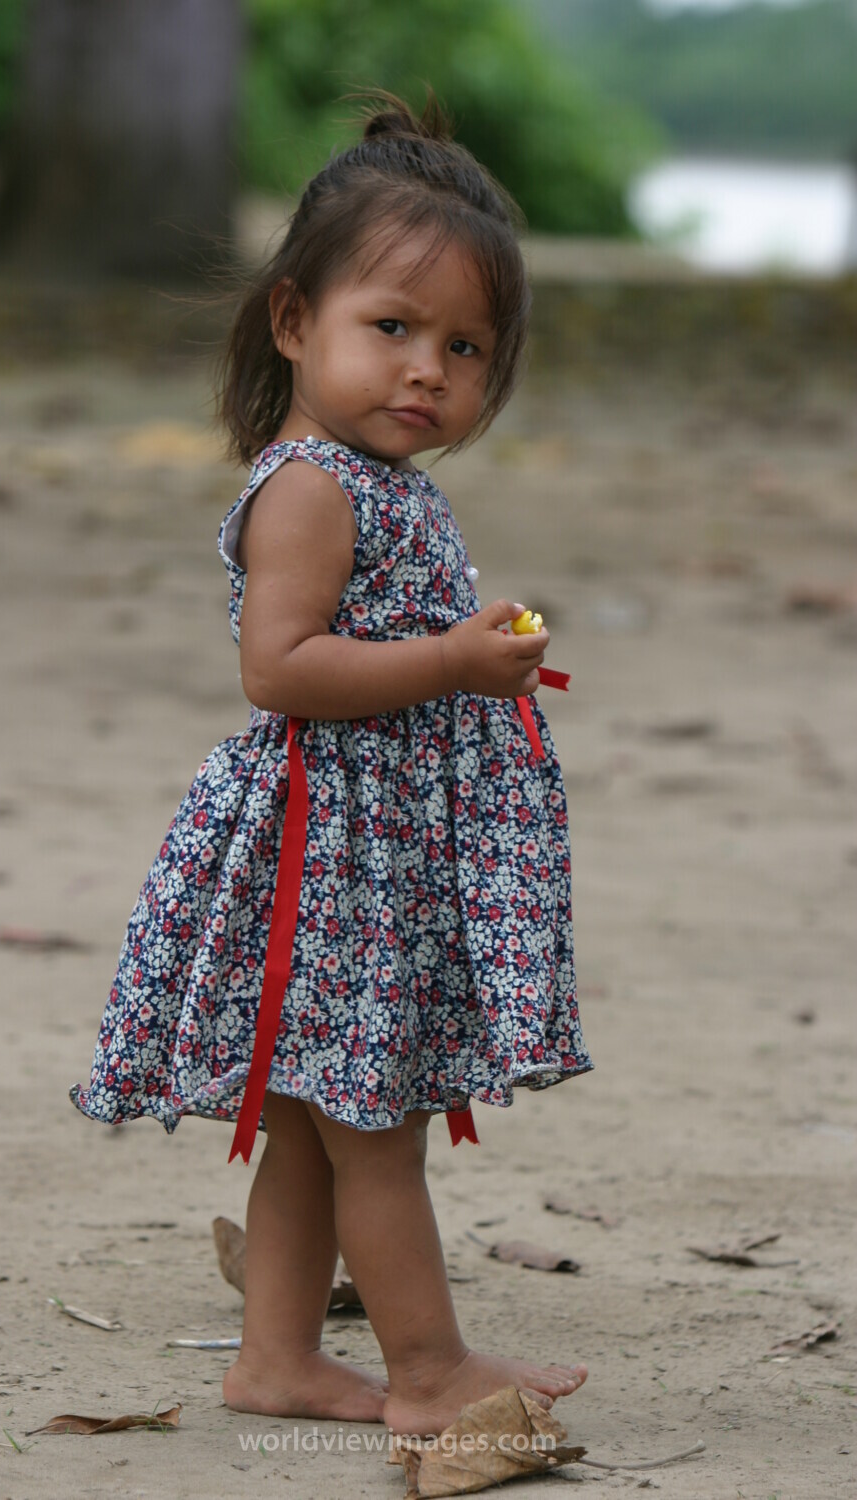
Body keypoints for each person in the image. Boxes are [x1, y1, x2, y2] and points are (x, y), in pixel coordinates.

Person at [69, 93, 592, 1438]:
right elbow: (282, 668)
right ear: (296, 322)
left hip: (374, 852)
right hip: (331, 851)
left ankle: (279, 1360)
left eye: (465, 347)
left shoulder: (384, 480)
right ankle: (427, 1372)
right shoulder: (310, 485)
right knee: (376, 1126)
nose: (428, 370)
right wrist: (451, 664)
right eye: (394, 328)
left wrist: (476, 654)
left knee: (312, 1123)